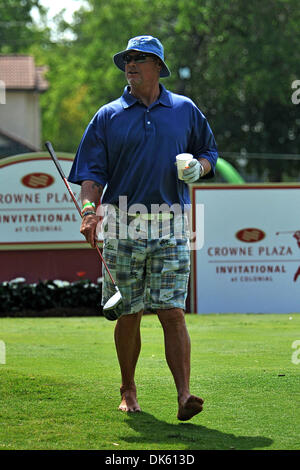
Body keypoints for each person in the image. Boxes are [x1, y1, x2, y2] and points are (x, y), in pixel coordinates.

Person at [68, 35, 218, 421]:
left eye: (140, 59)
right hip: (120, 223)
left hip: (171, 223)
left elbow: (209, 153)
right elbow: (91, 176)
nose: (130, 64)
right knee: (128, 313)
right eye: (127, 59)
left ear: (158, 67)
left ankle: (184, 396)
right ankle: (128, 389)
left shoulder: (184, 110)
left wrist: (198, 168)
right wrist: (89, 210)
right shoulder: (108, 115)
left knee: (172, 311)